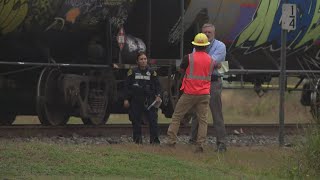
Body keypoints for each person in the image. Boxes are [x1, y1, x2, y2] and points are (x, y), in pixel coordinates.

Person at [167, 33, 219, 153]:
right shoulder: (211, 60)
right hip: (204, 94)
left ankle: (171, 142)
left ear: (195, 45)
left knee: (177, 116)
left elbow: (181, 69)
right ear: (206, 46)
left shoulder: (188, 58)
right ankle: (200, 145)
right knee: (203, 120)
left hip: (189, 93)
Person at [189, 23, 227, 152]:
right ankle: (193, 141)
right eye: (204, 32)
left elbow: (208, 63)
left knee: (216, 113)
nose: (206, 34)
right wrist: (211, 63)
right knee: (196, 113)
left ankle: (221, 143)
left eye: (209, 32)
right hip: (200, 83)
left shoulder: (220, 46)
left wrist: (209, 63)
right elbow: (204, 62)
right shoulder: (197, 46)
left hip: (214, 83)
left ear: (214, 33)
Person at [123, 51, 162, 144]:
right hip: (136, 100)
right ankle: (137, 140)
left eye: (145, 59)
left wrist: (158, 96)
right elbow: (127, 86)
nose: (143, 61)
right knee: (136, 121)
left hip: (150, 100)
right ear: (137, 61)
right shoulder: (132, 72)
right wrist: (126, 99)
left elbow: (157, 86)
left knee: (153, 121)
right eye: (141, 59)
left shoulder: (152, 72)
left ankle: (154, 141)